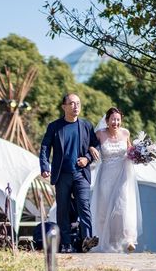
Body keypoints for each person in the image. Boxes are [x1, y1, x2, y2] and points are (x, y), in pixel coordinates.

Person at [40, 93, 101, 253]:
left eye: (78, 103)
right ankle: (66, 243)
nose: (76, 106)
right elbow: (45, 147)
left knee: (84, 206)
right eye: (72, 103)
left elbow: (96, 145)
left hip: (81, 174)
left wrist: (87, 158)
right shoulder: (54, 126)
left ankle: (87, 239)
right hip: (62, 175)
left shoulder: (86, 125)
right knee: (63, 210)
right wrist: (45, 166)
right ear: (64, 107)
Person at [91, 107, 142, 253]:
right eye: (113, 119)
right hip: (106, 176)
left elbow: (130, 150)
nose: (115, 122)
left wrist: (139, 155)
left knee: (123, 207)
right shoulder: (100, 134)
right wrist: (91, 148)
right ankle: (106, 240)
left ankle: (128, 239)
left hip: (123, 174)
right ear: (107, 120)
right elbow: (90, 145)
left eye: (118, 119)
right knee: (105, 208)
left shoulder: (125, 133)